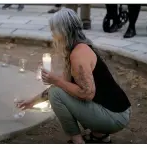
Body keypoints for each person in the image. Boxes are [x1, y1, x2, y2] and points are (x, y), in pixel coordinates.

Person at [18, 8, 131, 144]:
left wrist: (56, 80)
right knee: (58, 90)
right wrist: (32, 102)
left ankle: (78, 142)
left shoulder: (78, 54)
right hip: (115, 111)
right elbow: (65, 86)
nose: (52, 34)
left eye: (54, 30)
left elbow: (87, 93)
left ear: (64, 31)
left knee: (56, 93)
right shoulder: (77, 48)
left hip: (115, 117)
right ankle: (100, 136)